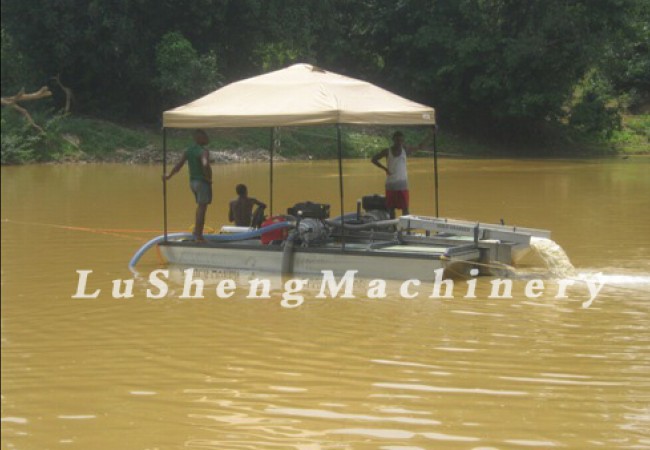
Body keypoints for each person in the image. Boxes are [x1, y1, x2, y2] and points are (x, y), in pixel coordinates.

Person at [163, 129, 212, 241]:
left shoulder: (188, 150)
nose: (207, 138)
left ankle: (196, 231)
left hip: (192, 182)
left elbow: (179, 165)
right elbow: (205, 163)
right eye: (205, 136)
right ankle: (199, 235)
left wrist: (169, 176)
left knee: (199, 206)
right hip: (202, 182)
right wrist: (208, 177)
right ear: (199, 138)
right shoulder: (203, 151)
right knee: (202, 208)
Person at [371, 130, 429, 218]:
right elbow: (373, 159)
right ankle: (392, 226)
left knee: (405, 209)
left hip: (402, 186)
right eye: (397, 140)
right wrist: (385, 169)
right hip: (391, 185)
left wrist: (430, 134)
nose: (399, 142)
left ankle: (406, 226)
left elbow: (420, 146)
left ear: (403, 141)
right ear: (393, 140)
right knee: (391, 210)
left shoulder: (405, 150)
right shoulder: (387, 151)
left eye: (401, 140)